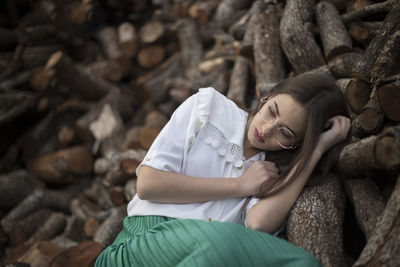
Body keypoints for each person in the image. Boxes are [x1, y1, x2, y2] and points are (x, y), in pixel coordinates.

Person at [94, 73, 351, 266]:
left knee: (304, 264)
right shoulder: (209, 108)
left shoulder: (274, 169)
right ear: (268, 97)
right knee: (221, 241)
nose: (267, 129)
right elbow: (148, 185)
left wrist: (315, 151)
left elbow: (258, 223)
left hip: (204, 258)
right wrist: (239, 186)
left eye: (285, 132)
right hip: (140, 246)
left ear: (297, 144)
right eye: (272, 112)